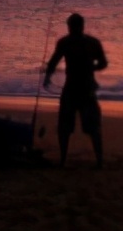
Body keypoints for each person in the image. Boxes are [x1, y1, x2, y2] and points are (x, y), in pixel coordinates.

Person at [43, 12, 108, 168]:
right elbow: (103, 63)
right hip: (81, 89)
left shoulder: (66, 42)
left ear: (72, 26)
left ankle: (65, 159)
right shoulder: (91, 42)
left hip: (76, 89)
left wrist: (47, 78)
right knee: (85, 128)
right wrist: (93, 66)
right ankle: (97, 161)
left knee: (71, 127)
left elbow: (53, 63)